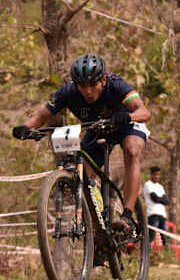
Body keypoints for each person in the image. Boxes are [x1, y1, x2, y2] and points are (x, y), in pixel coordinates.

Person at [12, 53, 151, 233]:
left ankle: (127, 216)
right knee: (83, 170)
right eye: (82, 86)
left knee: (132, 150)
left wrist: (128, 116)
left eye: (93, 85)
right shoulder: (68, 91)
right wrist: (25, 128)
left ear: (103, 80)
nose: (88, 91)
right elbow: (41, 116)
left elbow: (144, 112)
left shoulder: (116, 84)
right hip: (98, 128)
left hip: (126, 123)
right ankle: (100, 221)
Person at [143, 165, 169, 248]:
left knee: (165, 235)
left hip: (162, 213)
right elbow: (154, 198)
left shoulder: (160, 186)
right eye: (155, 174)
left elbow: (166, 201)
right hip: (153, 213)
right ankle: (149, 252)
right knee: (152, 235)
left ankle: (166, 252)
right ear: (151, 174)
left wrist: (160, 199)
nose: (157, 176)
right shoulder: (148, 184)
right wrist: (161, 199)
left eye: (159, 174)